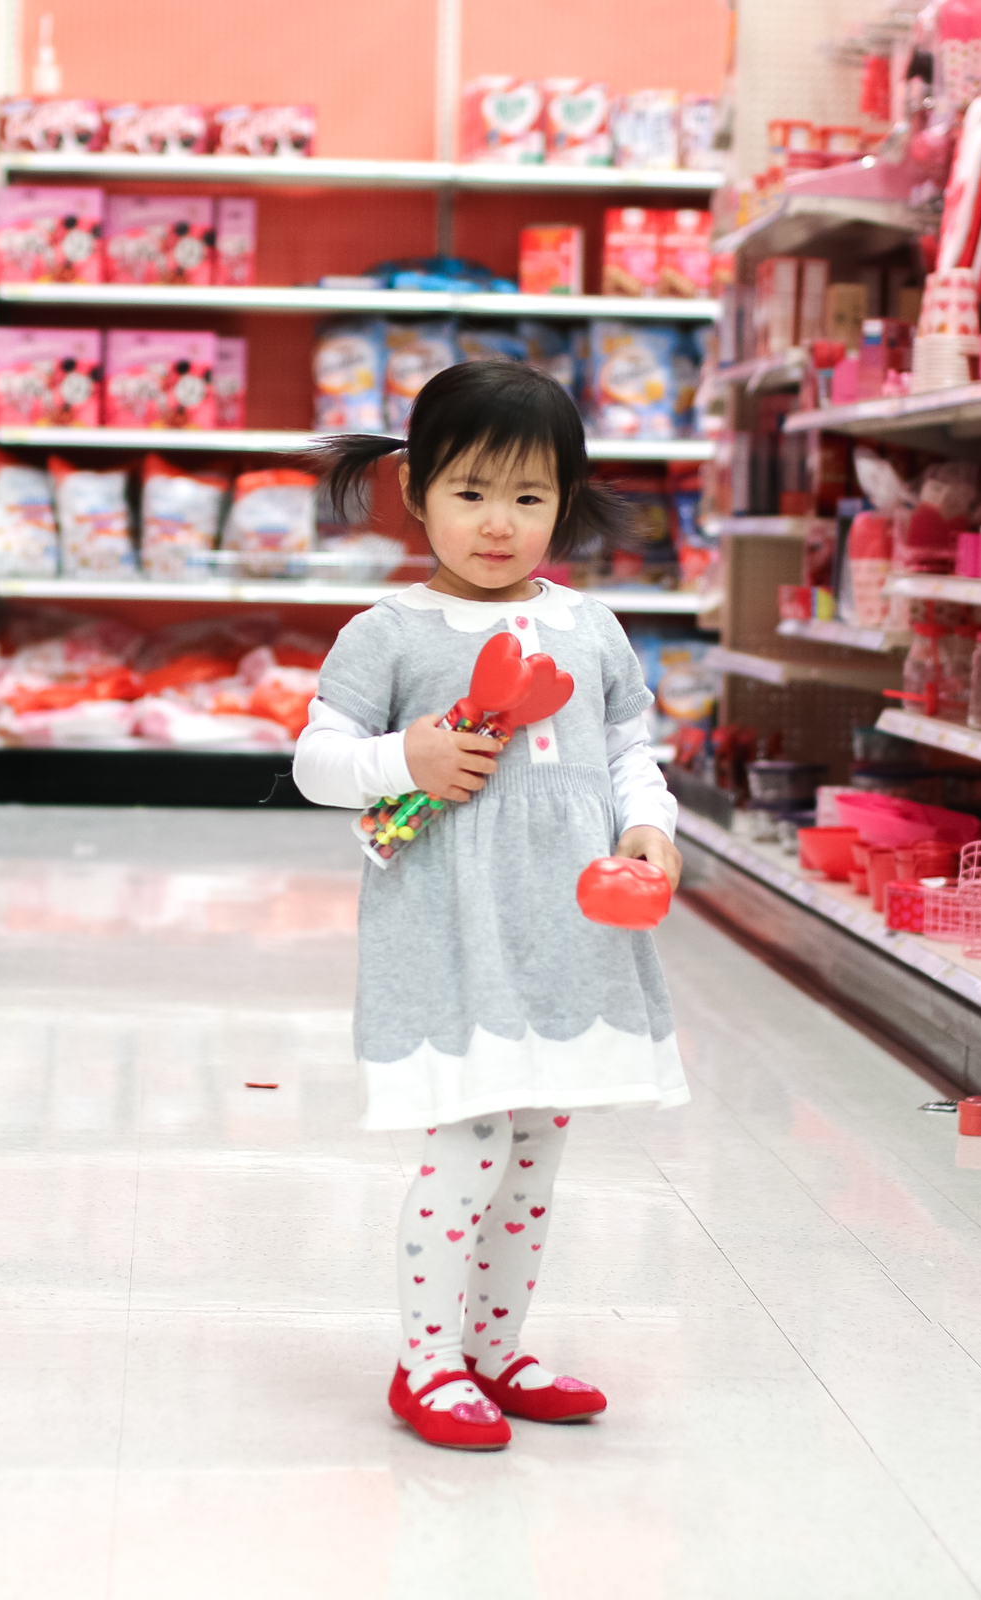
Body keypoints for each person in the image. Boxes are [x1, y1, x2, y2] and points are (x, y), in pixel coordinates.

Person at [291, 359, 686, 1452]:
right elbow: (318, 761)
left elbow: (625, 750)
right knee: (467, 1141)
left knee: (536, 1148)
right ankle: (425, 1362)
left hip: (564, 927)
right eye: (470, 493)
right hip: (452, 926)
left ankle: (496, 1347)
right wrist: (403, 757)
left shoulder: (592, 627)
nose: (499, 523)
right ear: (416, 494)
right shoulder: (392, 631)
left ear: (568, 497)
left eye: (529, 496)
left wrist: (649, 828)